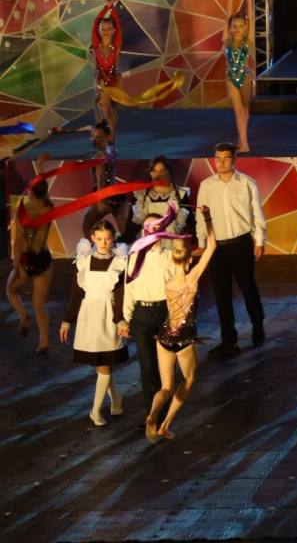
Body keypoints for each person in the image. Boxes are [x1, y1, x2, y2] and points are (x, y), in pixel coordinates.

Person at [145, 230, 217, 442]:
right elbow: (212, 246)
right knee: (189, 379)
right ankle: (165, 424)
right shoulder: (191, 279)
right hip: (184, 339)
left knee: (166, 386)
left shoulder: (168, 283)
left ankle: (152, 415)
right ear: (189, 260)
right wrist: (207, 219)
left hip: (164, 337)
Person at [196, 142, 266, 357]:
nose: (221, 163)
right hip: (217, 247)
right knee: (221, 294)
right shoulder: (207, 185)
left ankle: (258, 326)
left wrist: (259, 241)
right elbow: (200, 217)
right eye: (218, 158)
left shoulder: (247, 183)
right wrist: (202, 245)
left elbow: (257, 213)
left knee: (248, 287)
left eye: (226, 158)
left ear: (234, 159)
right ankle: (228, 340)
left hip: (242, 243)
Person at [60, 221, 128, 426]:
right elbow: (76, 294)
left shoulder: (119, 262)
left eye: (107, 238)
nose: (104, 243)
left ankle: (95, 411)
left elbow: (121, 295)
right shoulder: (84, 261)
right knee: (101, 365)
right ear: (92, 238)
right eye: (99, 239)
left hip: (108, 316)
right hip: (89, 316)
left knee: (104, 364)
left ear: (113, 238)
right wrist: (67, 321)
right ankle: (116, 399)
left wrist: (120, 320)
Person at [124, 207, 182, 425]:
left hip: (165, 311)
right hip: (142, 313)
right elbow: (128, 287)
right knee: (147, 366)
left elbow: (180, 288)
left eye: (157, 228)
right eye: (148, 228)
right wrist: (126, 317)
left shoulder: (170, 257)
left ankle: (166, 413)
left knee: (166, 367)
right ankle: (152, 415)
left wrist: (178, 318)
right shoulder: (134, 257)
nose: (152, 232)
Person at [8, 177, 54, 354]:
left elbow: (18, 241)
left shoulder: (23, 211)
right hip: (43, 258)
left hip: (26, 259)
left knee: (11, 290)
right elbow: (43, 190)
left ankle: (23, 314)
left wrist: (16, 267)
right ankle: (44, 342)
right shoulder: (49, 208)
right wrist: (41, 170)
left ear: (31, 192)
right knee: (39, 305)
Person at [128, 156, 191, 242]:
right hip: (149, 243)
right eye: (154, 171)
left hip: (173, 244)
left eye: (162, 171)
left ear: (169, 172)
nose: (157, 175)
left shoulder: (180, 194)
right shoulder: (141, 195)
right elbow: (132, 227)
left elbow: (189, 224)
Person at [222, 0, 255, 153]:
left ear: (245, 28)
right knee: (238, 111)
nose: (237, 29)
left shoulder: (248, 40)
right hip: (231, 79)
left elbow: (251, 18)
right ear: (230, 28)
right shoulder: (226, 40)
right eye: (234, 26)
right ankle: (244, 143)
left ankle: (242, 140)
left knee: (245, 110)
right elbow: (227, 17)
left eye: (241, 26)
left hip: (246, 78)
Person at [91, 0, 121, 135]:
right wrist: (106, 8)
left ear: (114, 31)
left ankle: (111, 138)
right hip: (100, 79)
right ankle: (103, 135)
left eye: (109, 29)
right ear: (98, 31)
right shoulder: (96, 44)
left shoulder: (116, 44)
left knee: (111, 110)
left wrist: (112, 9)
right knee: (99, 106)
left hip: (114, 79)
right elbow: (96, 23)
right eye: (103, 29)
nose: (106, 32)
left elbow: (118, 24)